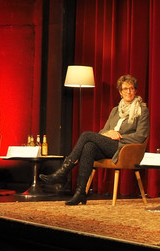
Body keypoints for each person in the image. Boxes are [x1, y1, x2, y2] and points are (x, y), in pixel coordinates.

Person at [39, 74, 149, 205]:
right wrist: (109, 133)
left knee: (86, 135)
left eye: (131, 88)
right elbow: (102, 131)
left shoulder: (142, 110)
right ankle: (80, 193)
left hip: (123, 148)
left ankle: (63, 171)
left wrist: (119, 136)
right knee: (88, 147)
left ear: (136, 90)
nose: (129, 92)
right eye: (125, 89)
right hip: (109, 145)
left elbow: (141, 135)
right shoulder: (115, 110)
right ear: (120, 92)